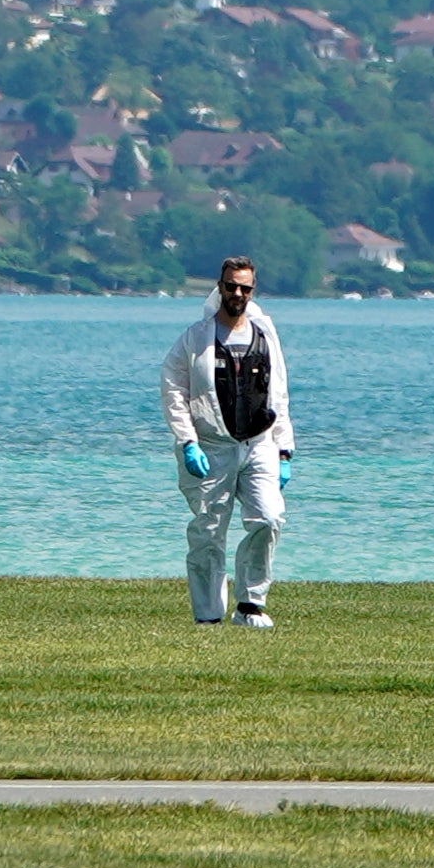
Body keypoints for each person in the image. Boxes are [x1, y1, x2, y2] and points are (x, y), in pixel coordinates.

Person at [162, 252, 291, 626]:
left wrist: (284, 450)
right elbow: (173, 390)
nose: (238, 293)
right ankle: (208, 614)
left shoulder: (266, 336)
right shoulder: (194, 339)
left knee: (268, 518)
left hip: (259, 444)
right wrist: (187, 441)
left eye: (244, 287)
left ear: (252, 291)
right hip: (211, 446)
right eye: (231, 286)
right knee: (208, 531)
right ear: (220, 287)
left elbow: (278, 393)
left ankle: (250, 604)